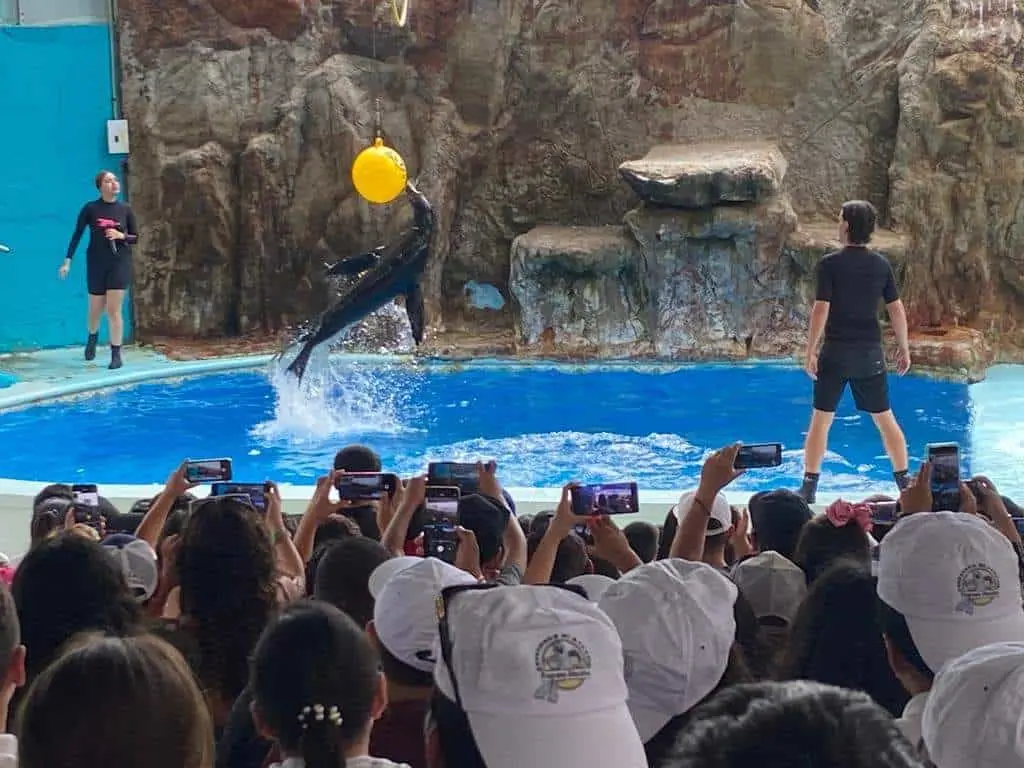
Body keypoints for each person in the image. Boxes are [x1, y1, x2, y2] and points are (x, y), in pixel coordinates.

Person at [799, 200, 911, 503]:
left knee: (821, 421)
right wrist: (904, 347)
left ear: (847, 225)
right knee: (885, 419)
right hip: (869, 355)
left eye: (839, 220)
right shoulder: (880, 265)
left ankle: (809, 487)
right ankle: (905, 483)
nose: (838, 224)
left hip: (835, 354)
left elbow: (821, 309)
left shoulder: (829, 264)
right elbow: (896, 309)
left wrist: (810, 350)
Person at [59, 170, 138, 370]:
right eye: (109, 181)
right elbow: (77, 234)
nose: (114, 183)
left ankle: (116, 354)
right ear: (100, 186)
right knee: (95, 309)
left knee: (113, 309)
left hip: (119, 263)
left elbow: (135, 237)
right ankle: (93, 336)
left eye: (115, 180)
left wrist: (121, 236)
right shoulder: (90, 208)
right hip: (96, 263)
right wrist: (67, 261)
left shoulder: (125, 209)